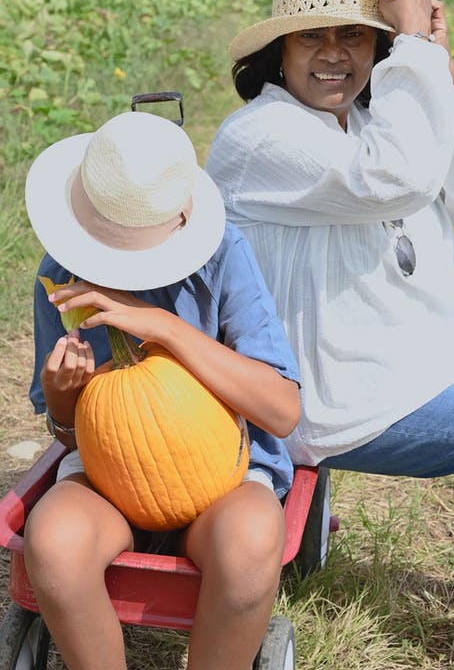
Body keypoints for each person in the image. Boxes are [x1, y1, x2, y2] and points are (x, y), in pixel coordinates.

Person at [206, 0, 454, 580]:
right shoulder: (259, 138)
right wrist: (413, 45)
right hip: (331, 388)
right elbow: (396, 179)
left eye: (355, 35)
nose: (335, 53)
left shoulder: (375, 116)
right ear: (277, 53)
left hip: (421, 357)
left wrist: (442, 70)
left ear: (379, 48)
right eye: (312, 36)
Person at [23, 110, 301, 670]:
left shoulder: (224, 256)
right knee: (52, 544)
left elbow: (282, 409)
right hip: (109, 479)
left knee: (250, 543)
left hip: (225, 477)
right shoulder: (61, 276)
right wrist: (61, 397)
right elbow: (72, 435)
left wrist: (165, 328)